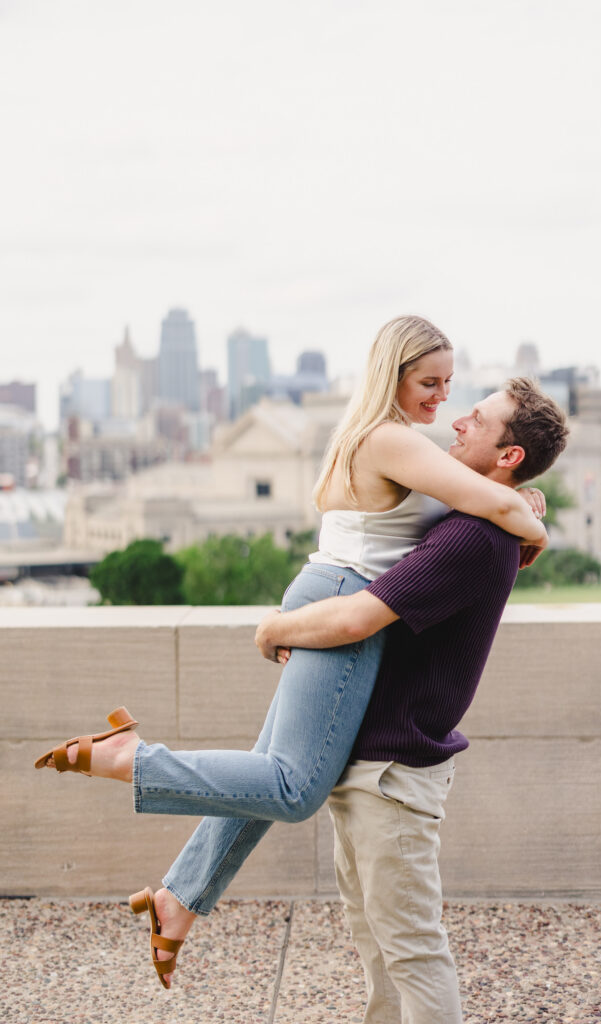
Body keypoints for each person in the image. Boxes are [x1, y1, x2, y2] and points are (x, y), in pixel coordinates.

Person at [34, 316, 548, 989]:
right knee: (292, 786)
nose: (442, 402)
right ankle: (132, 759)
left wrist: (516, 501)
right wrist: (530, 520)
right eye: (429, 382)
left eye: (449, 386)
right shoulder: (393, 439)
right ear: (392, 373)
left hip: (332, 587)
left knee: (264, 773)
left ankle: (177, 901)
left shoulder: (385, 436)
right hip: (344, 597)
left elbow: (476, 507)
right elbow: (495, 509)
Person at [254, 380, 569, 1023]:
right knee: (380, 946)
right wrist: (529, 510)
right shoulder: (472, 517)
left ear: (508, 456)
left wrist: (272, 630)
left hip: (392, 777)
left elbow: (354, 620)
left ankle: (132, 763)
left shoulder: (470, 539)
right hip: (372, 766)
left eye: (476, 420)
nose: (456, 423)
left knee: (413, 951)